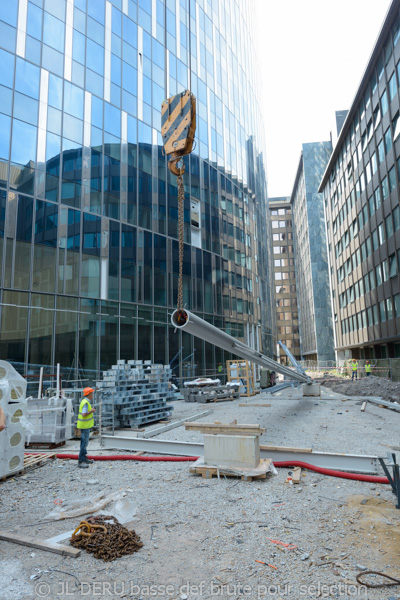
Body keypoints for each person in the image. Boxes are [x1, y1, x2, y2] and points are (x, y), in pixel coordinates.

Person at [77, 387, 96, 468]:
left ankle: (84, 458)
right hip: (84, 426)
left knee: (85, 442)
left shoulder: (85, 402)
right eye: (92, 393)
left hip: (85, 425)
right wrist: (91, 411)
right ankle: (81, 461)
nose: (93, 395)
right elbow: (84, 414)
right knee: (84, 443)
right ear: (89, 394)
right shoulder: (85, 402)